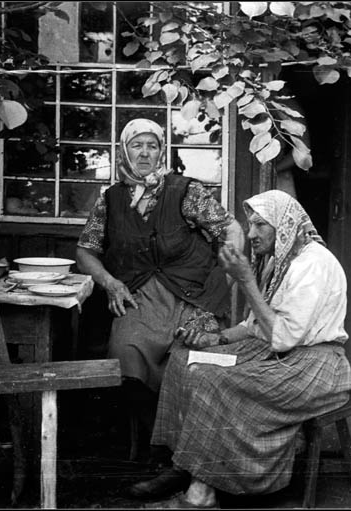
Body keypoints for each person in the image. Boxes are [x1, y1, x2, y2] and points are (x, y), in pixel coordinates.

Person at [133, 189, 351, 508]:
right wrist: (218, 339)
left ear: (284, 224)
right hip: (272, 351)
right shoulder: (279, 260)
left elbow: (283, 338)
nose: (251, 234)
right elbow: (254, 325)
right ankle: (185, 466)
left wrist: (247, 281)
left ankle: (201, 494)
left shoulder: (313, 265)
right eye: (250, 224)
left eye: (261, 225)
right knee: (185, 360)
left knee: (213, 381)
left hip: (313, 368)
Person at [75, 118, 244, 457]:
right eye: (137, 145)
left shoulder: (185, 191)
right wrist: (109, 282)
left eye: (152, 146)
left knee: (196, 361)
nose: (144, 153)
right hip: (139, 299)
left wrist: (230, 265)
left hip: (193, 297)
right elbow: (85, 251)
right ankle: (165, 446)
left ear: (161, 151)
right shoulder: (110, 199)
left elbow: (230, 227)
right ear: (124, 150)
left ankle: (195, 451)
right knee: (125, 354)